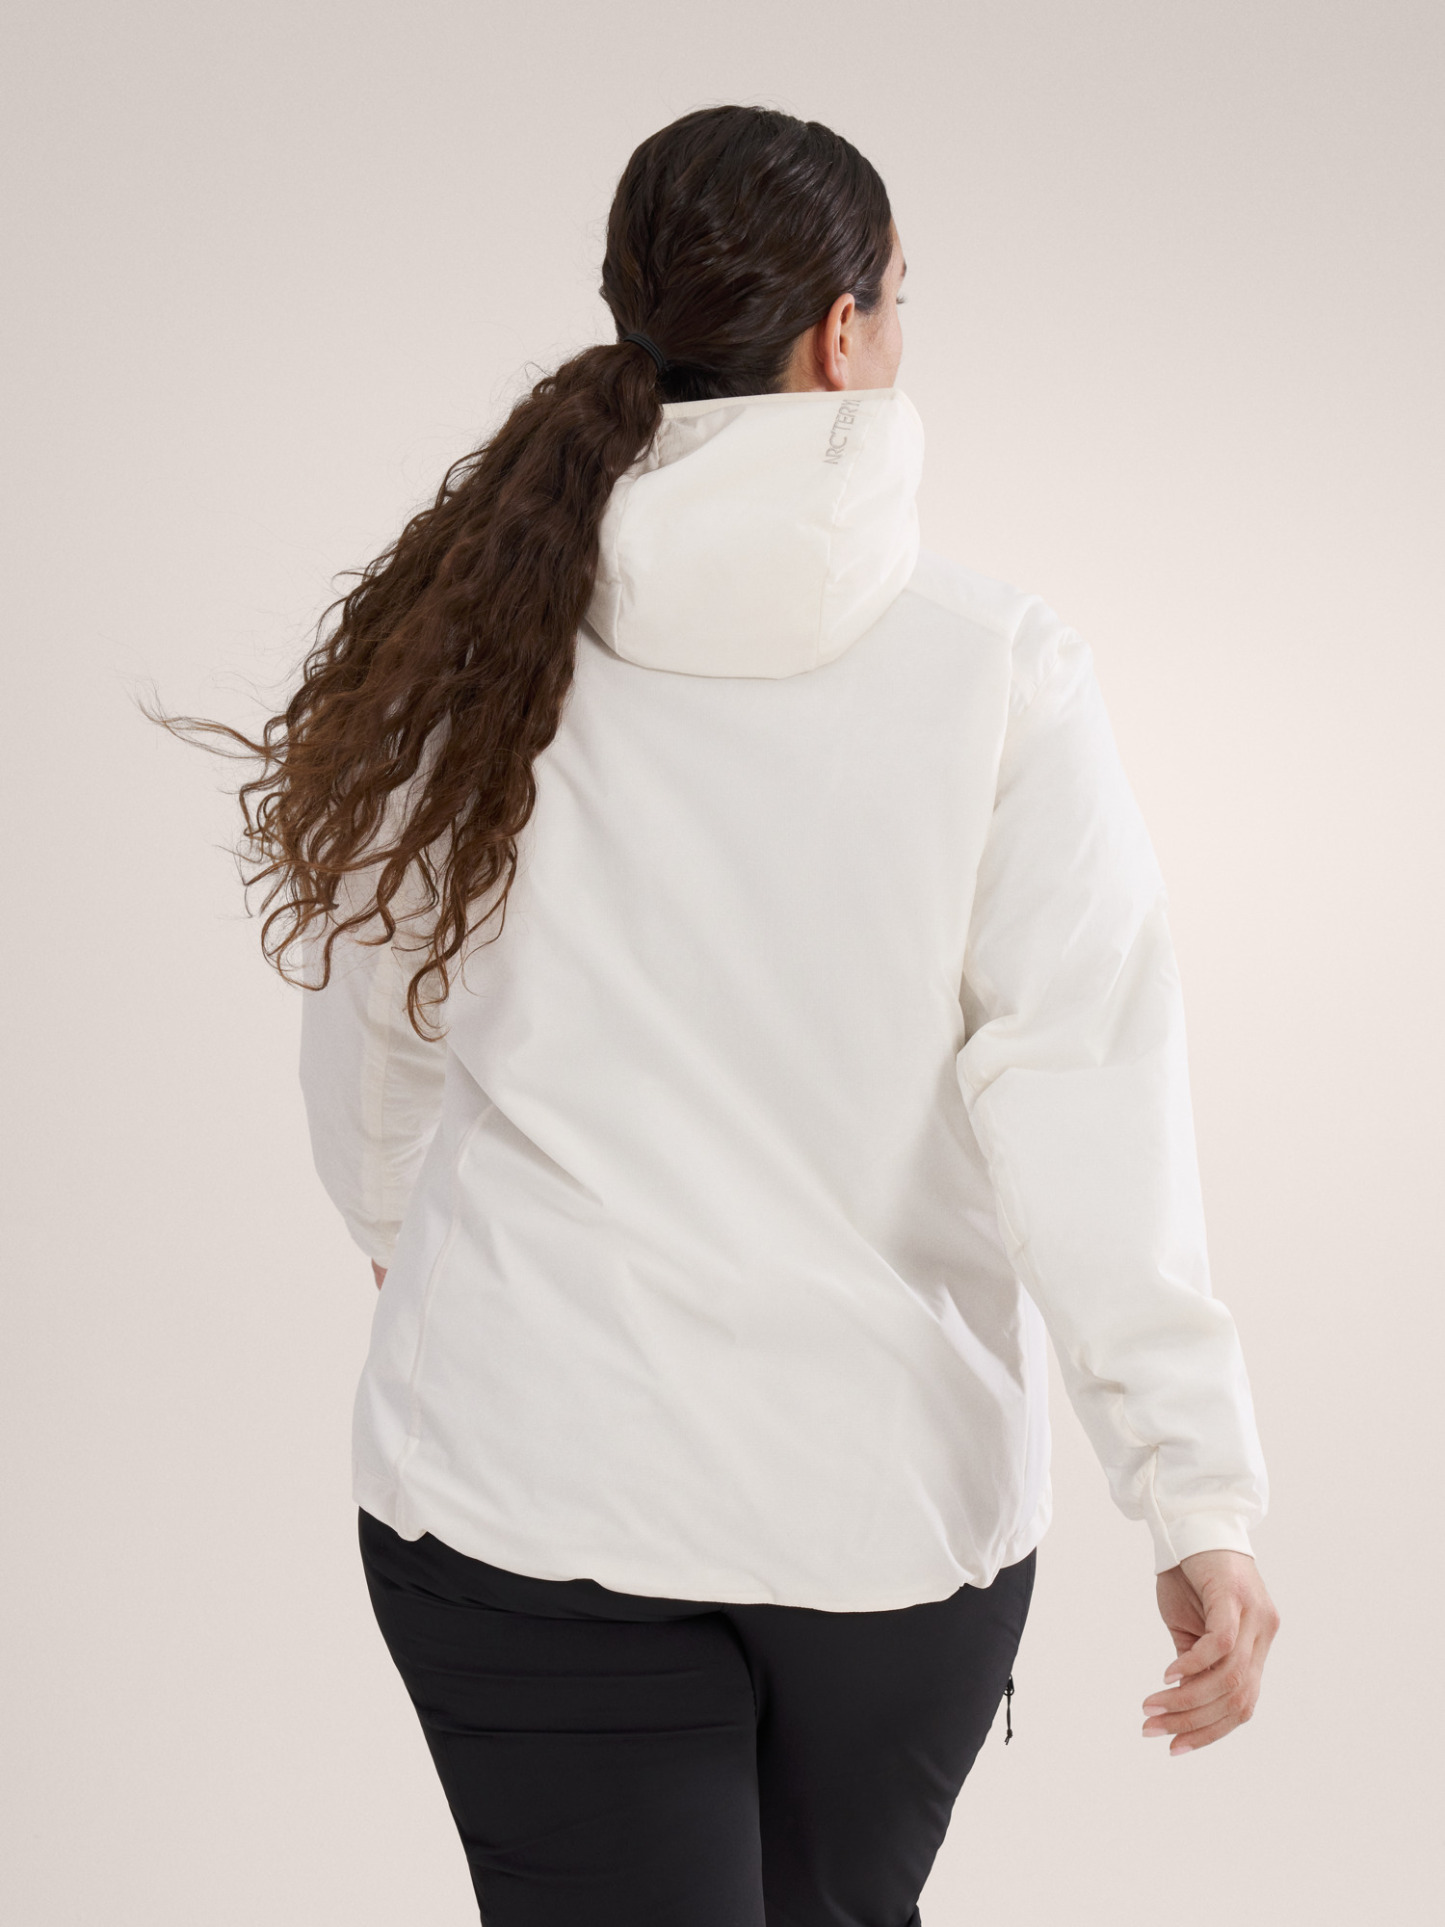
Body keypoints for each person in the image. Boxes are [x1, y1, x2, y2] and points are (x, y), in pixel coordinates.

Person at [224, 104, 1279, 1926]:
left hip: (523, 1480)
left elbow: (379, 1013)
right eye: (901, 295)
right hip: (883, 1515)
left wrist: (408, 1230)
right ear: (844, 333)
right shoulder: (994, 671)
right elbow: (1089, 1100)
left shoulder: (481, 642)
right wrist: (1193, 1496)